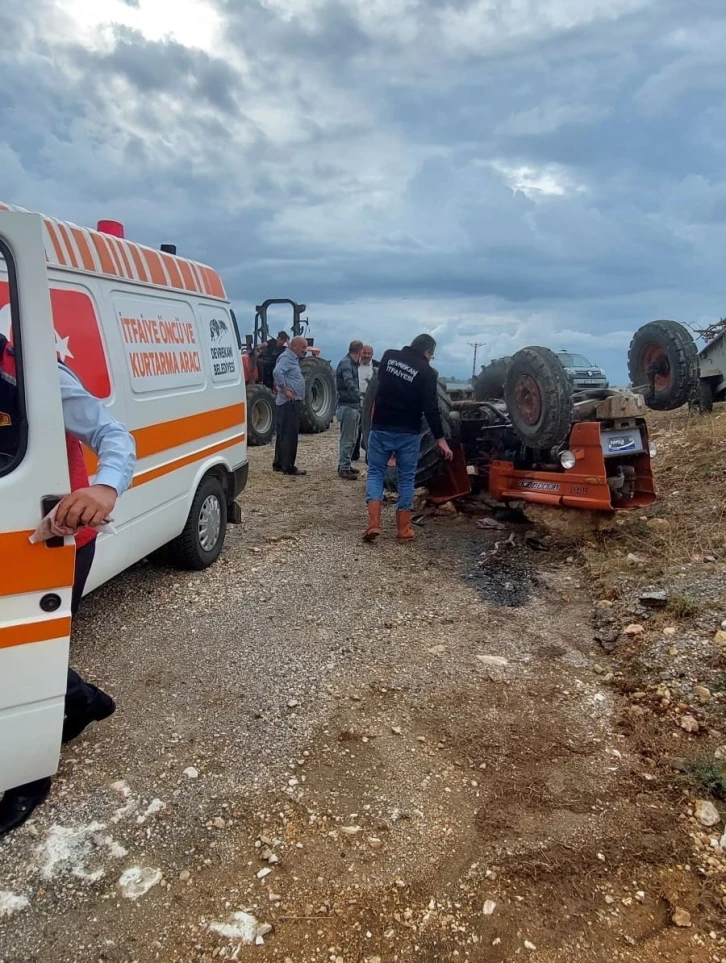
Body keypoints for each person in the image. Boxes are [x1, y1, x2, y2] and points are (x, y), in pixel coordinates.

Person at [0, 336, 136, 836]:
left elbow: (113, 434)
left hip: (48, 543)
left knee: (27, 658)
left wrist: (105, 486)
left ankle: (26, 777)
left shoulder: (32, 370)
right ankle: (80, 699)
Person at [363, 333, 453, 543]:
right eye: (431, 355)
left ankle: (374, 524)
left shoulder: (388, 357)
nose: (431, 359)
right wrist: (440, 438)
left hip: (381, 427)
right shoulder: (427, 372)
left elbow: (382, 386)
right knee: (406, 479)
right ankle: (403, 530)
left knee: (375, 474)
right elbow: (431, 408)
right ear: (428, 352)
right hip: (408, 433)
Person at [272, 335, 308, 476]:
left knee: (283, 434)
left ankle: (279, 463)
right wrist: (285, 389)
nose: (305, 350)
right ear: (294, 347)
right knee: (290, 435)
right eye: (303, 347)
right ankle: (288, 467)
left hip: (287, 402)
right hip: (289, 402)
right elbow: (277, 372)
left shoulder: (291, 358)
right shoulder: (287, 358)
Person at [335, 340, 363, 480]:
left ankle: (345, 464)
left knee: (352, 438)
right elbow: (349, 382)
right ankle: (344, 468)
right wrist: (359, 396)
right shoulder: (347, 363)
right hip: (348, 406)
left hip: (351, 406)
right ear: (359, 351)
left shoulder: (349, 363)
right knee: (348, 438)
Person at [352, 344, 375, 462]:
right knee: (355, 428)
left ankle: (368, 455)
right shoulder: (353, 365)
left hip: (370, 401)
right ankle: (354, 454)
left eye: (368, 353)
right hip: (356, 399)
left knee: (368, 429)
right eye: (364, 353)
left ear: (372, 355)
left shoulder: (377, 367)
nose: (366, 355)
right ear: (360, 353)